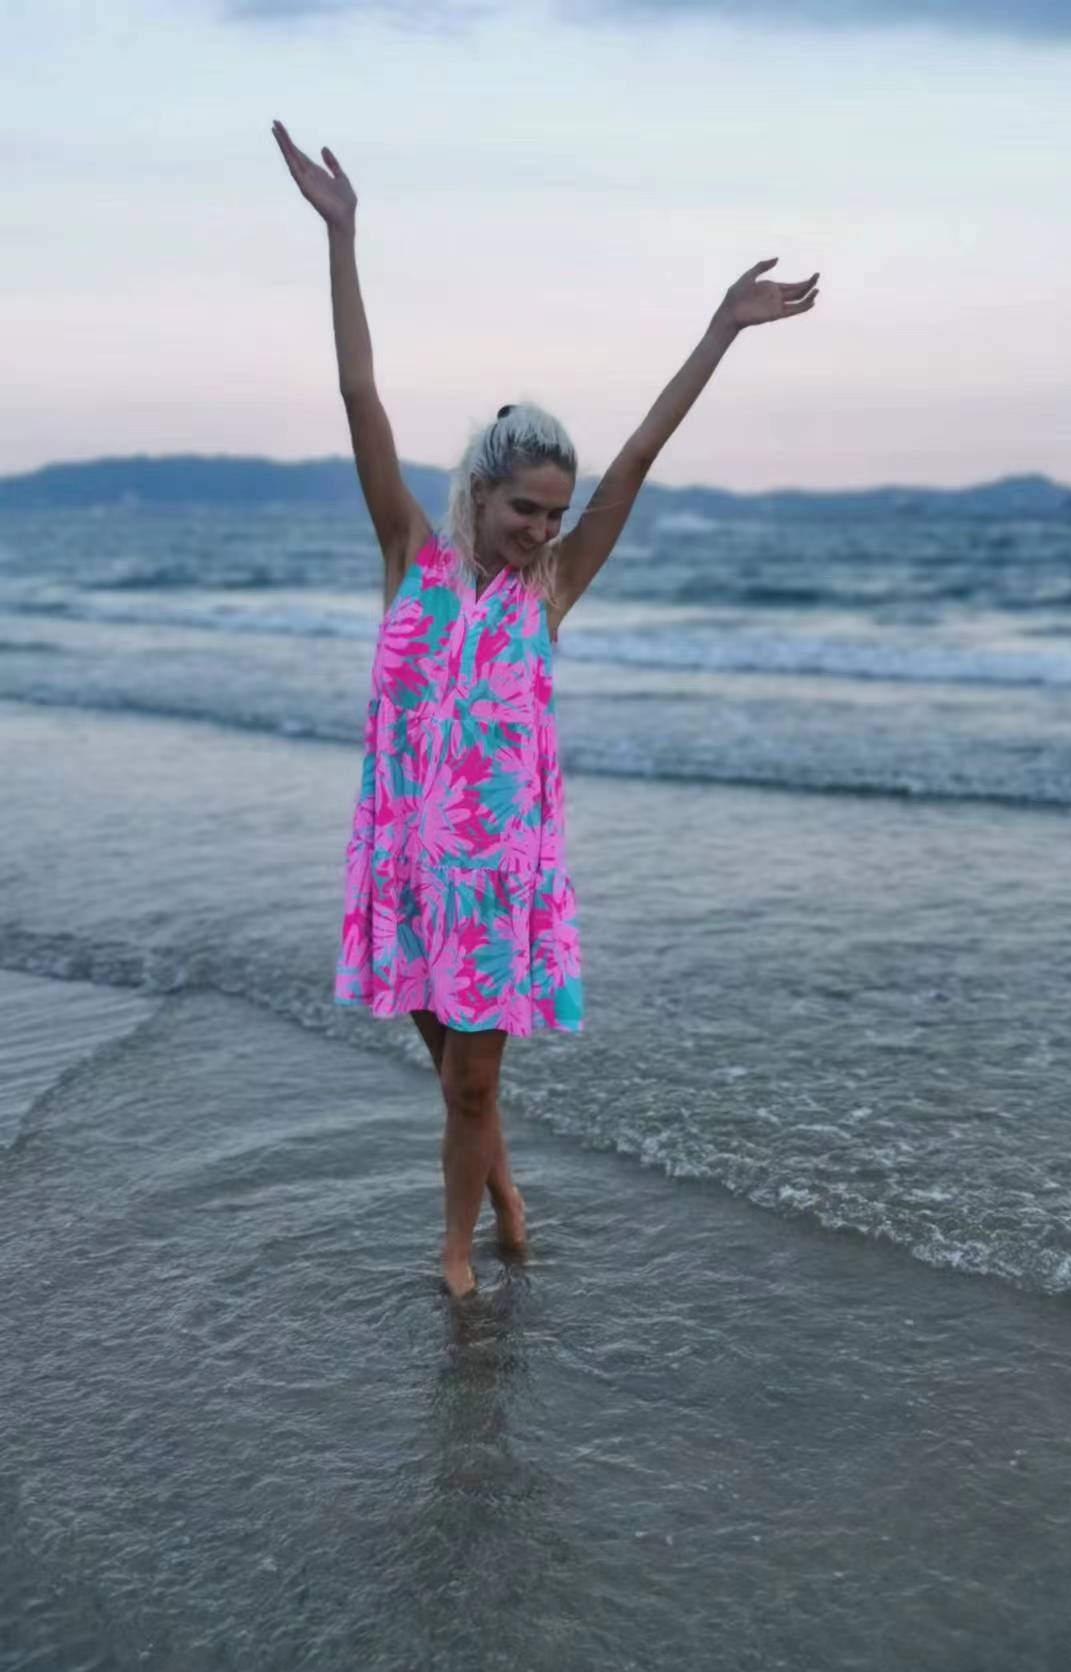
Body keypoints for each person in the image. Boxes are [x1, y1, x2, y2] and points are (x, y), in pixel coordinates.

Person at [271, 119, 820, 1299]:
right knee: (453, 1070)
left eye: (554, 515)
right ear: (482, 487)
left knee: (472, 1080)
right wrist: (343, 238)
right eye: (526, 509)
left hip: (497, 879)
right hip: (411, 861)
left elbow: (638, 456)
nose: (542, 531)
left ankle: (459, 1255)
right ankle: (507, 1189)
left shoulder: (550, 590)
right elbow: (357, 390)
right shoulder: (409, 553)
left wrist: (719, 329)